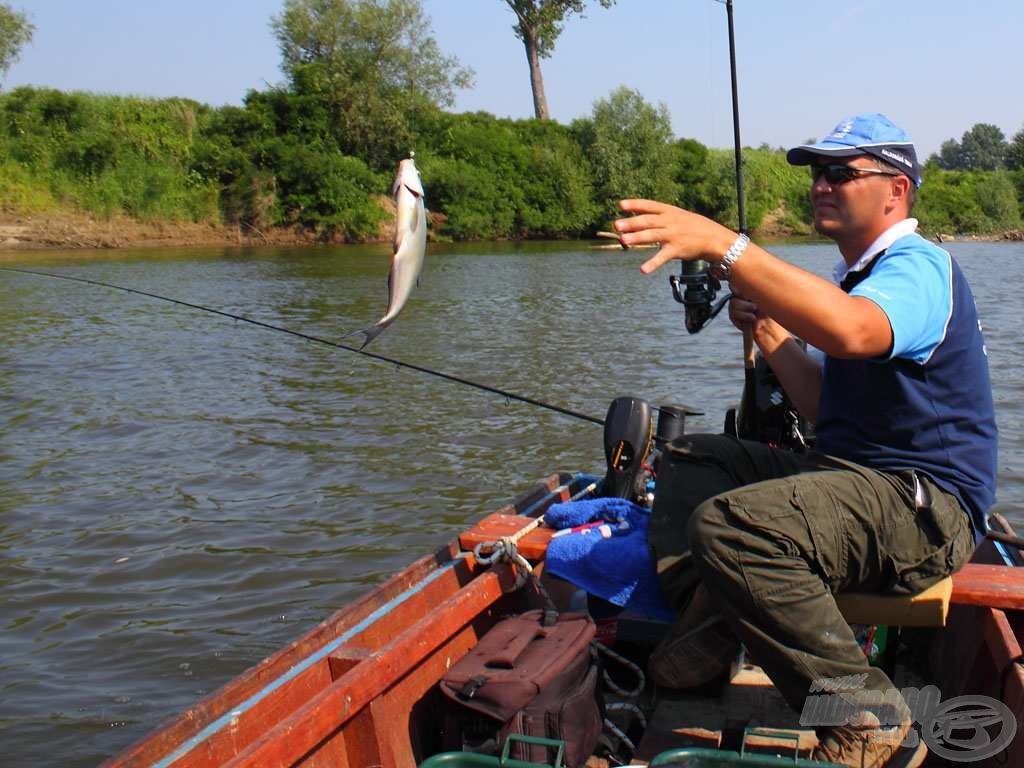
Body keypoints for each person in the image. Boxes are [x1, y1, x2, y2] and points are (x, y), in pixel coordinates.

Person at [612, 113, 997, 768]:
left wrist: (725, 246)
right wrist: (767, 332)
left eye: (842, 173)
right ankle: (709, 631)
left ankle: (861, 712)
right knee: (691, 461)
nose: (822, 184)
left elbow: (850, 331)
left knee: (734, 529)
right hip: (856, 483)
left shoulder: (917, 268)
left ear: (895, 191)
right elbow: (824, 408)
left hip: (924, 510)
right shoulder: (861, 282)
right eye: (819, 173)